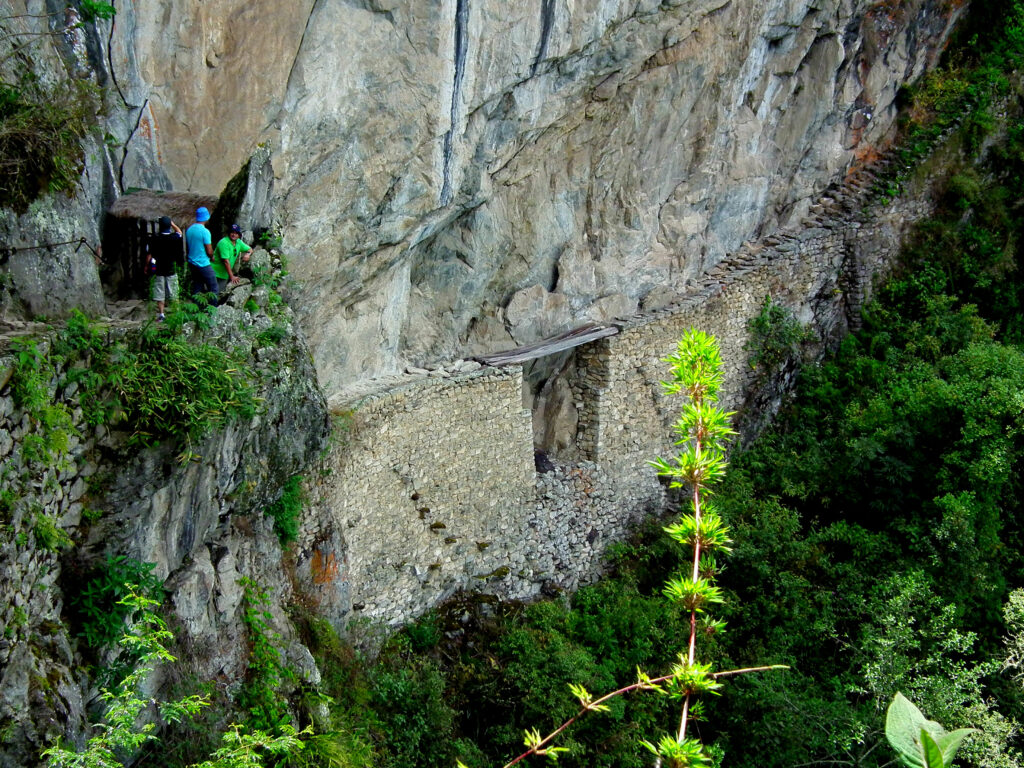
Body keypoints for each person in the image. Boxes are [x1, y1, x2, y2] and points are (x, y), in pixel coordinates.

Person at [146, 215, 183, 321]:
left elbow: (149, 255)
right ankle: (176, 313)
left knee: (159, 292)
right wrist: (173, 223)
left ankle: (162, 314)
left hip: (159, 270)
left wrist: (146, 266)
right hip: (171, 269)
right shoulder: (174, 238)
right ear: (169, 226)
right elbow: (179, 232)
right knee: (173, 292)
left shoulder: (154, 238)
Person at [185, 206, 218, 304]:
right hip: (203, 263)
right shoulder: (205, 232)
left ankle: (196, 308)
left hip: (192, 262)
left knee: (197, 286)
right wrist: (212, 257)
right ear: (207, 217)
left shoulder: (189, 229)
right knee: (213, 287)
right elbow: (209, 250)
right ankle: (213, 310)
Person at [212, 223, 252, 293]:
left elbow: (250, 249)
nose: (234, 235)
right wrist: (232, 276)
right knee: (211, 293)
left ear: (239, 235)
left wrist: (248, 254)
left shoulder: (238, 242)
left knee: (218, 294)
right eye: (232, 232)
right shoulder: (224, 243)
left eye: (236, 233)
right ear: (229, 233)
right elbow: (226, 261)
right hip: (215, 272)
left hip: (224, 274)